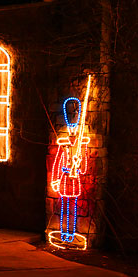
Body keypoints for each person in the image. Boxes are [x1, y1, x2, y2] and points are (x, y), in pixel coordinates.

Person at [51, 97, 90, 243]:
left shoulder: (81, 148)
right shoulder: (64, 147)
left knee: (73, 207)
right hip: (64, 178)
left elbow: (84, 168)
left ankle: (71, 233)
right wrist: (55, 179)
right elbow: (57, 163)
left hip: (74, 180)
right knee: (64, 207)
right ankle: (63, 233)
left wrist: (78, 163)